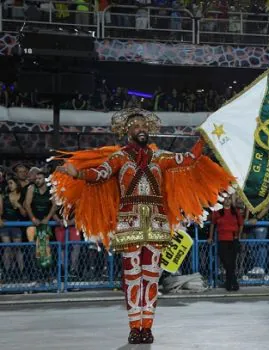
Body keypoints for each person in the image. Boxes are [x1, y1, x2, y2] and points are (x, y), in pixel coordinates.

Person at [52, 108, 234, 344]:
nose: (141, 129)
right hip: (130, 222)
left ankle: (146, 326)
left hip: (157, 222)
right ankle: (134, 326)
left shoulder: (160, 157)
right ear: (127, 131)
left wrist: (203, 138)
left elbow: (188, 159)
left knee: (151, 276)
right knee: (132, 275)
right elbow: (99, 174)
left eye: (143, 125)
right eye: (136, 125)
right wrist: (76, 173)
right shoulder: (119, 157)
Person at [208, 195, 243, 291]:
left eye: (229, 199)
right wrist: (210, 237)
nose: (227, 201)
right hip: (222, 239)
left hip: (233, 239)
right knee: (226, 262)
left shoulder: (236, 212)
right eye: (226, 199)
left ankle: (229, 284)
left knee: (231, 263)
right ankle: (233, 282)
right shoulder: (218, 212)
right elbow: (212, 225)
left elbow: (241, 225)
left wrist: (238, 236)